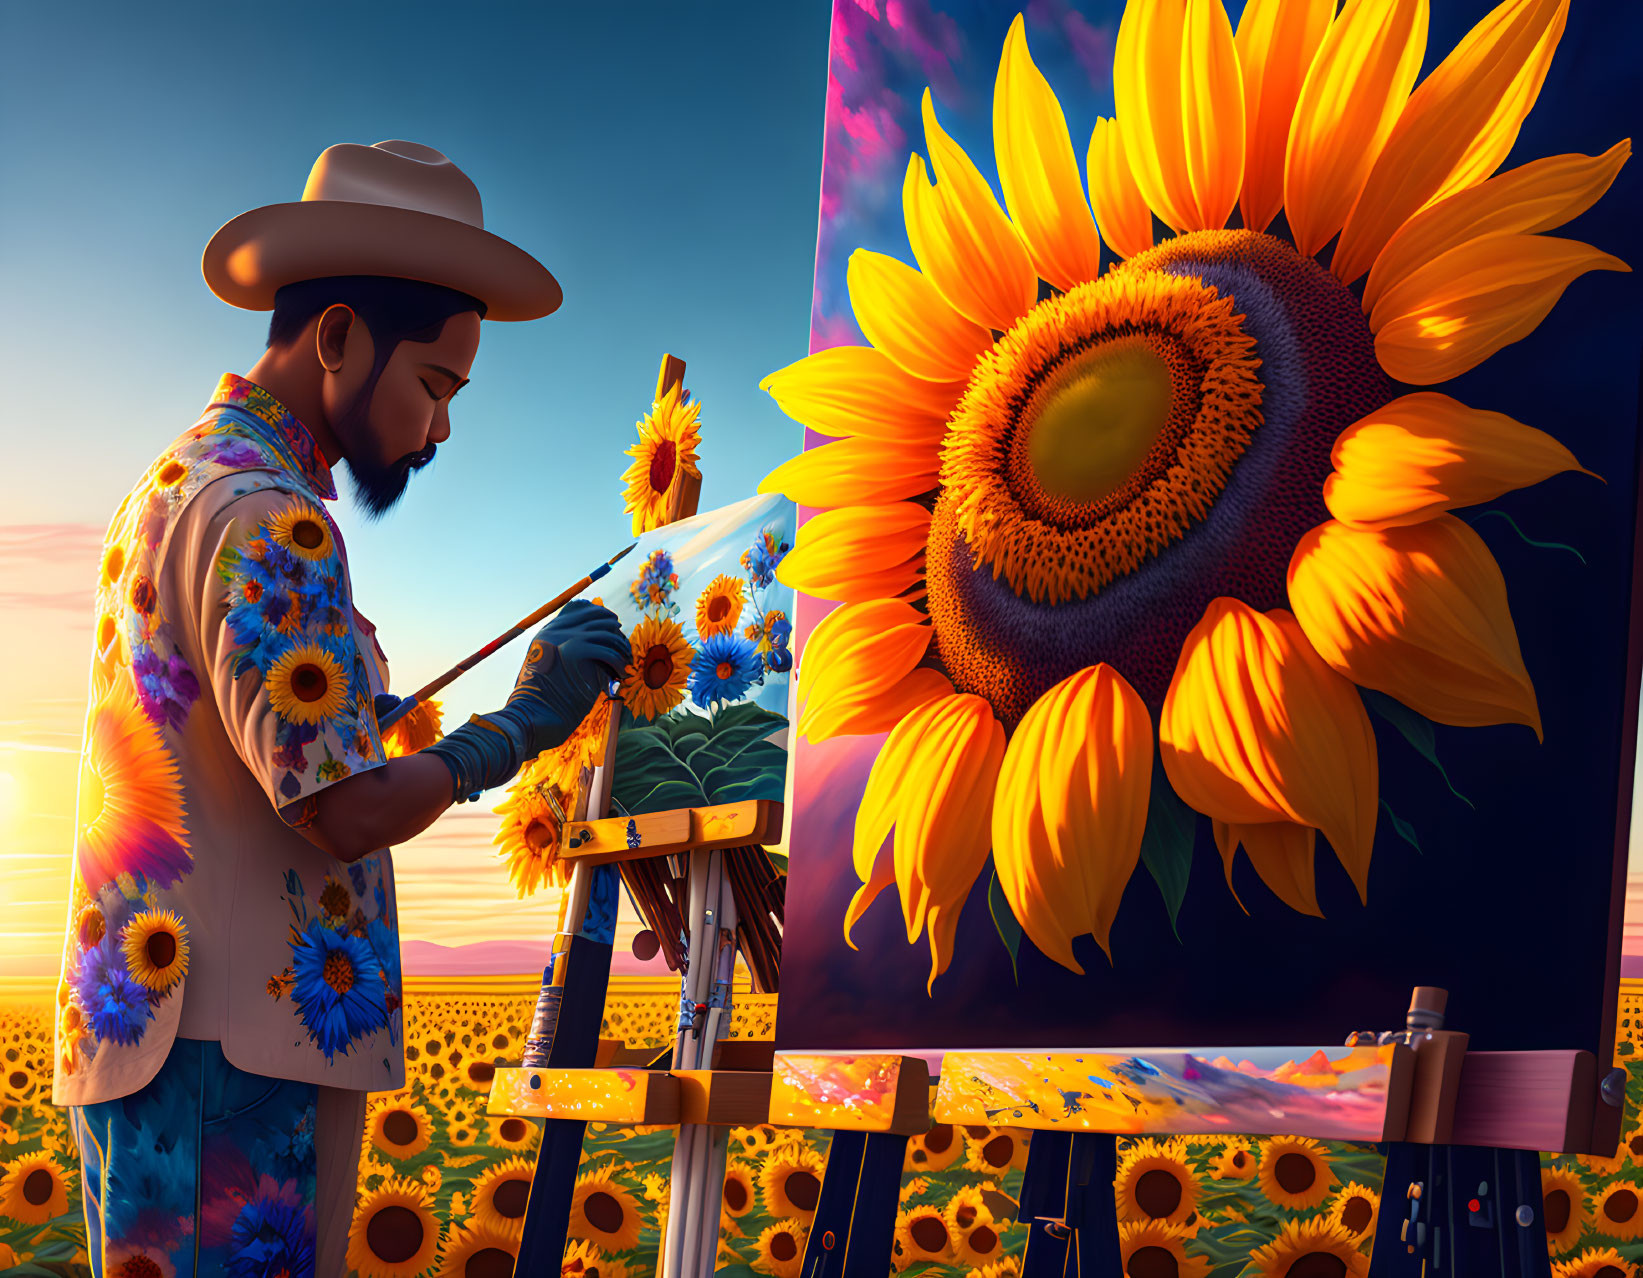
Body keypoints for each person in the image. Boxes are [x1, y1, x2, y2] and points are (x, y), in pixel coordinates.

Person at [52, 139, 629, 1278]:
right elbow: (343, 812)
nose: (441, 429)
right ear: (337, 340)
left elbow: (226, 752)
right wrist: (518, 728)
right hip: (230, 1058)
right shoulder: (273, 518)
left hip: (152, 1032)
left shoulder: (174, 483)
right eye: (434, 385)